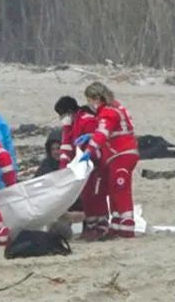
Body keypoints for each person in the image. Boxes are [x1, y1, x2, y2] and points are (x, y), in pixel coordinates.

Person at [78, 82, 139, 239]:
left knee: (120, 189)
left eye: (90, 100)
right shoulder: (116, 107)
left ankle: (127, 225)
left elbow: (103, 133)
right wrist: (91, 136)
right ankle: (117, 224)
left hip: (121, 154)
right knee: (113, 189)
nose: (89, 104)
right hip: (119, 154)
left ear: (96, 98)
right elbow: (113, 130)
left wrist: (89, 150)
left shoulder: (108, 112)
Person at [55, 95, 98, 227]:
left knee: (92, 195)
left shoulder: (86, 121)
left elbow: (95, 144)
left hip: (94, 163)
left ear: (68, 112)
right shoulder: (75, 124)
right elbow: (67, 147)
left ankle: (95, 226)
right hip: (84, 164)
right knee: (86, 195)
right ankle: (90, 226)